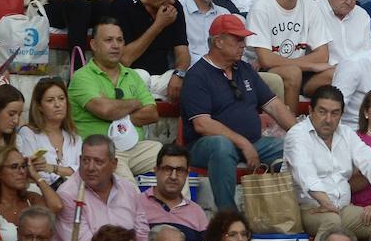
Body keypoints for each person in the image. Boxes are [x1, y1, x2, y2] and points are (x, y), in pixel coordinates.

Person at [179, 14, 297, 212]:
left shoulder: (244, 69)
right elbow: (202, 124)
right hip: (205, 146)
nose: (244, 44)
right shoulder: (197, 75)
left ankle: (296, 206)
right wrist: (242, 143)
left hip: (254, 142)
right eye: (238, 39)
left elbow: (274, 106)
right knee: (221, 145)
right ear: (218, 41)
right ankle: (228, 215)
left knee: (290, 146)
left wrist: (302, 135)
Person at [283, 85, 371, 241]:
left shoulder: (346, 133)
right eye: (322, 112)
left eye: (334, 113)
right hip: (308, 208)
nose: (328, 119)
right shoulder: (297, 134)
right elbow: (305, 175)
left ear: (341, 114)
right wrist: (326, 203)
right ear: (311, 110)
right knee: (332, 221)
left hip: (342, 209)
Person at [66, 18, 163, 176]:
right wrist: (135, 103)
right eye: (108, 40)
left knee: (170, 161)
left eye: (120, 40)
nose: (116, 45)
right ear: (94, 45)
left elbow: (152, 114)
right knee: (125, 182)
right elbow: (105, 110)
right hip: (100, 152)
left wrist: (118, 115)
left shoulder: (132, 75)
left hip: (134, 147)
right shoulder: (82, 77)